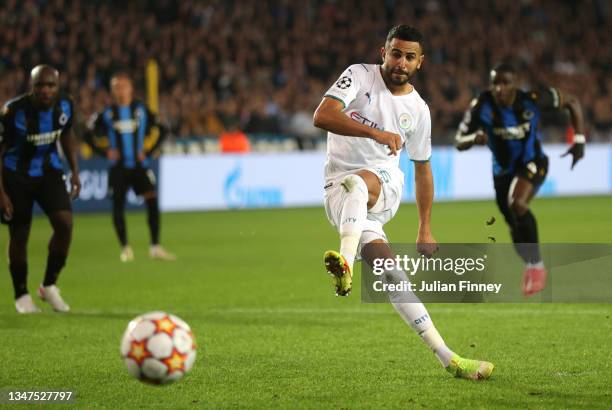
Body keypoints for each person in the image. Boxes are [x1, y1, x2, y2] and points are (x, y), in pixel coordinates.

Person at [313, 25, 493, 380]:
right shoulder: (359, 76)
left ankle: (345, 263)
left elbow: (423, 169)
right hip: (338, 195)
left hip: (384, 185)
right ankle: (450, 358)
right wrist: (375, 132)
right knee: (393, 275)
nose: (401, 62)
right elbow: (322, 116)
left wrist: (425, 227)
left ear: (420, 62)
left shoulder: (418, 110)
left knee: (359, 182)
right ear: (384, 52)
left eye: (410, 57)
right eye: (396, 54)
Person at [455, 63, 585, 296]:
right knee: (514, 225)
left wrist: (580, 140)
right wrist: (474, 137)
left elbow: (572, 102)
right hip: (502, 173)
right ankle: (531, 264)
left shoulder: (532, 99)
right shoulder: (481, 106)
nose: (499, 88)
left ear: (515, 84)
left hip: (533, 162)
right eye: (495, 82)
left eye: (505, 82)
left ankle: (537, 268)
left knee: (518, 203)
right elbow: (459, 140)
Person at [0, 65, 81, 313]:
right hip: (16, 176)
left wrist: (75, 171)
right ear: (31, 86)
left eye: (50, 85)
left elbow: (67, 135)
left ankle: (49, 285)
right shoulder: (12, 112)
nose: (45, 90)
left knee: (65, 224)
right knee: (20, 234)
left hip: (48, 171)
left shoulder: (66, 105)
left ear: (58, 87)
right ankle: (22, 295)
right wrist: (1, 193)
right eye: (39, 86)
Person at [92, 73, 175, 262]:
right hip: (118, 168)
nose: (120, 90)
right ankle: (125, 248)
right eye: (116, 86)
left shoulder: (140, 110)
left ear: (131, 88)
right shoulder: (107, 114)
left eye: (123, 86)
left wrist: (149, 150)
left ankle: (155, 247)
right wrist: (105, 153)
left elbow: (163, 128)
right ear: (112, 91)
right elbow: (88, 134)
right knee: (118, 206)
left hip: (140, 166)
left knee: (152, 201)